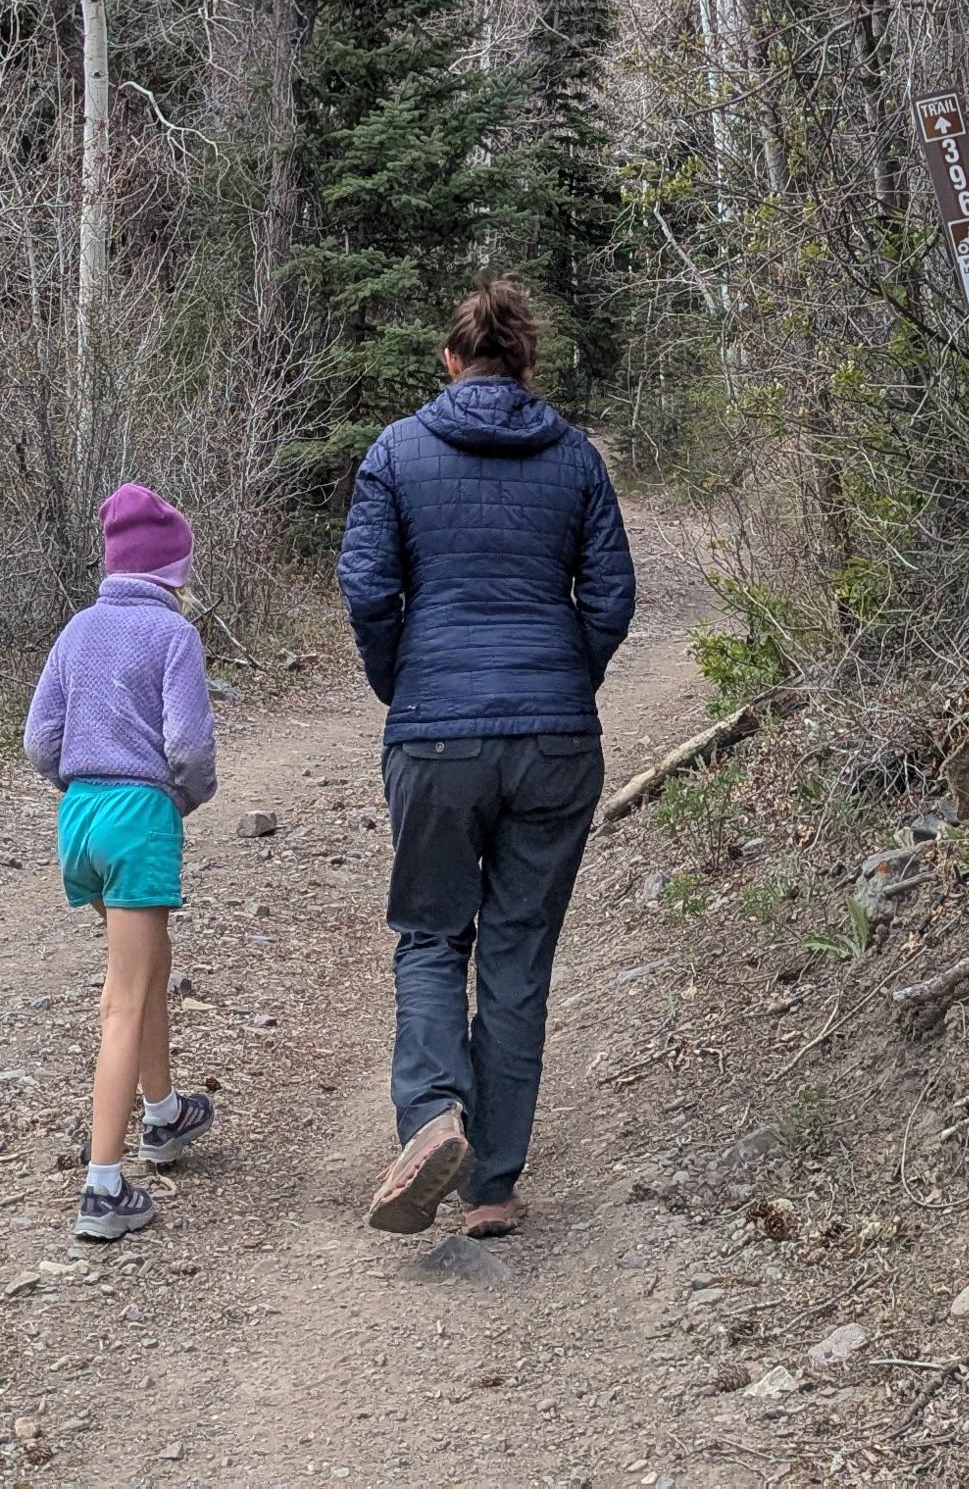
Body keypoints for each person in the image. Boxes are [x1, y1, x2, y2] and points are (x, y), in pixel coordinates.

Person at [335, 277, 635, 1239]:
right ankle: (493, 1184)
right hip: (554, 739)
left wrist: (404, 683)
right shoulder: (576, 459)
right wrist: (564, 678)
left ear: (450, 361)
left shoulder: (396, 450)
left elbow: (369, 589)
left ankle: (431, 1119)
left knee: (431, 934)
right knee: (518, 950)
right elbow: (614, 596)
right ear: (527, 364)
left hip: (435, 733)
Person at [22, 483, 221, 1241]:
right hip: (140, 815)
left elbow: (41, 740)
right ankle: (104, 1187)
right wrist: (180, 801)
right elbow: (190, 749)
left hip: (80, 818)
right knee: (124, 1000)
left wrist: (81, 786)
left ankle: (166, 1114)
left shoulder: (79, 629)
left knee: (150, 968)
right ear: (173, 568)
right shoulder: (173, 638)